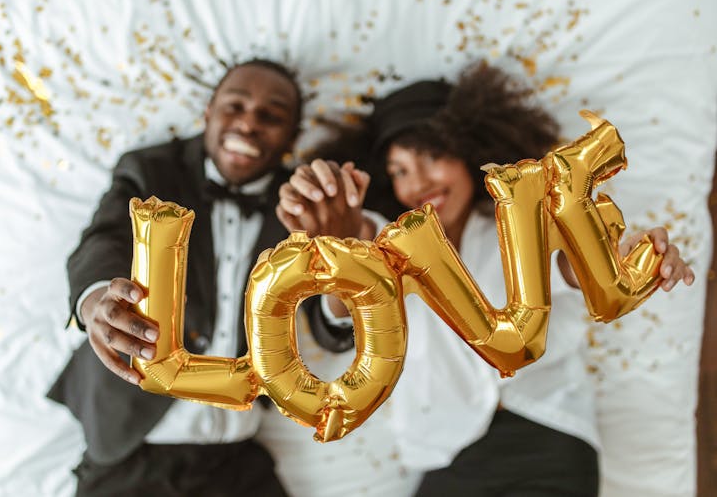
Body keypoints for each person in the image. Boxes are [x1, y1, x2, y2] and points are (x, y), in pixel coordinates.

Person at [276, 61, 695, 496]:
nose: (417, 182)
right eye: (399, 170)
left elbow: (574, 264)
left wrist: (626, 257)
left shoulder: (521, 220)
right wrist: (332, 233)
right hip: (445, 451)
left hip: (545, 434)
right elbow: (343, 305)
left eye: (432, 157)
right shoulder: (384, 239)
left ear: (467, 152)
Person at [48, 58, 344, 497]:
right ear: (208, 113)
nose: (248, 124)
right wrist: (96, 304)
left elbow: (331, 325)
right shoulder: (150, 171)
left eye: (271, 116)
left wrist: (341, 252)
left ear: (293, 137)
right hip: (131, 447)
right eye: (235, 106)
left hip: (234, 453)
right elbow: (103, 242)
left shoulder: (303, 205)